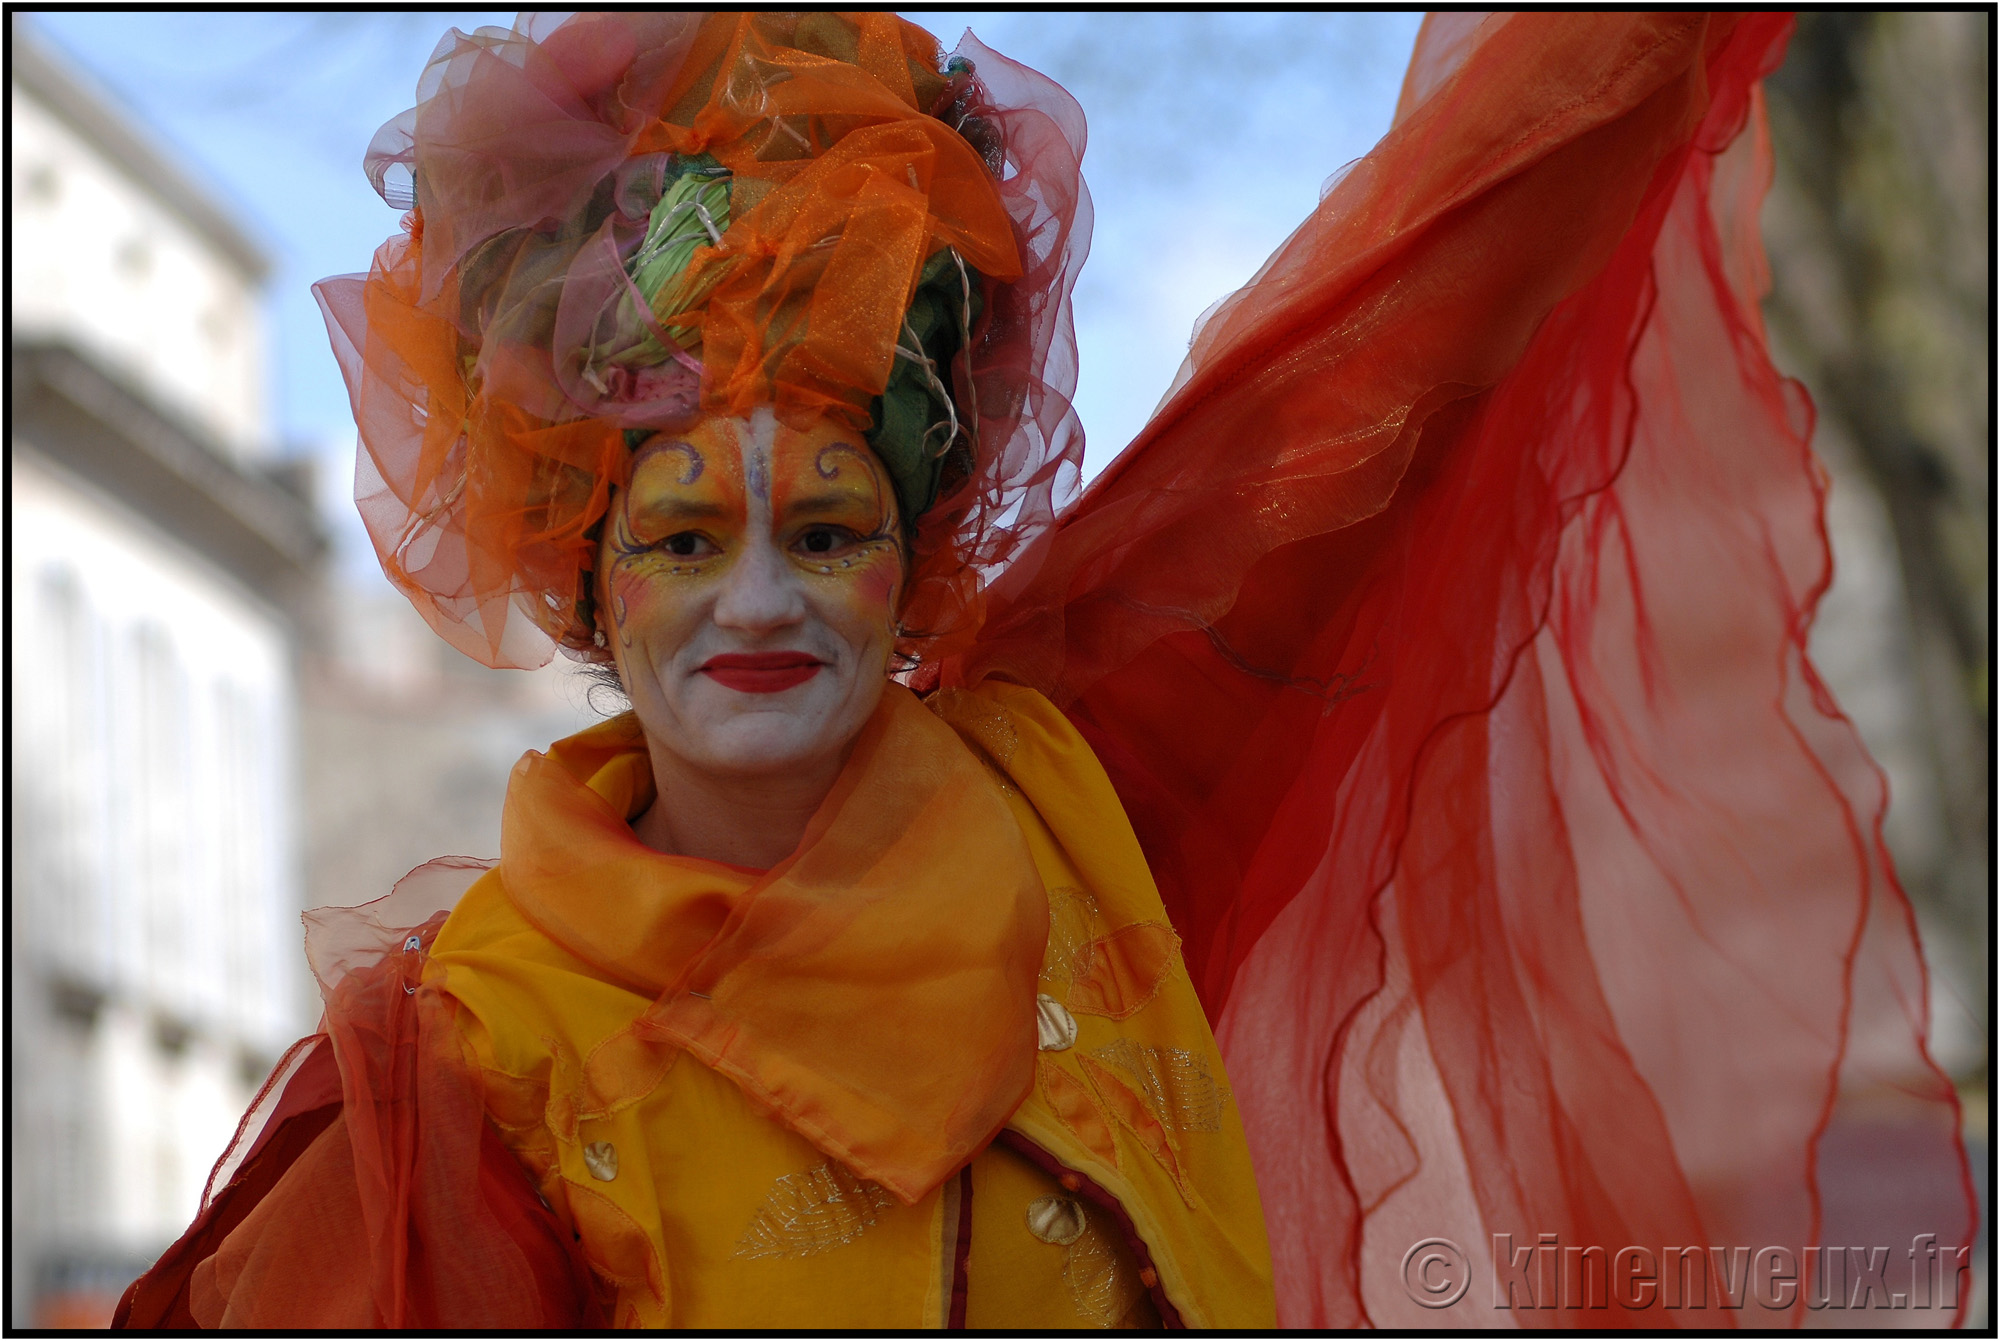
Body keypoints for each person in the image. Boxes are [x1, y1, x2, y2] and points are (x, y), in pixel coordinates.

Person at [117, 10, 1974, 1330]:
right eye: (686, 538)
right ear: (594, 582)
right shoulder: (478, 1059)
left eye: (827, 528)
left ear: (913, 549)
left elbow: (1415, 335)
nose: (758, 602)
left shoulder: (1071, 796)